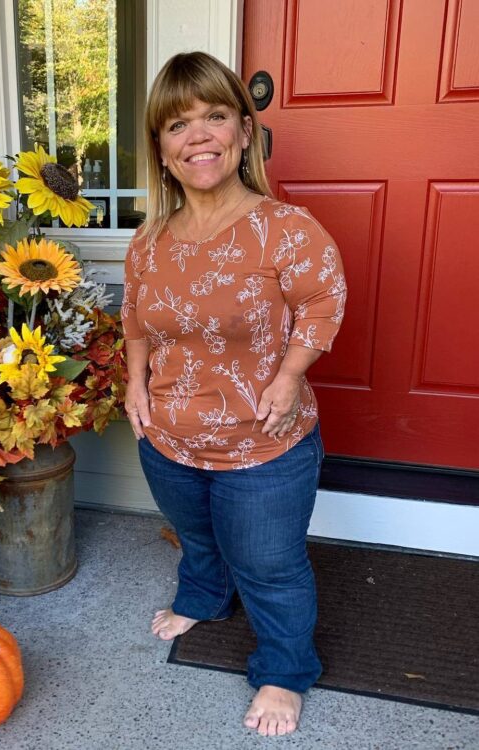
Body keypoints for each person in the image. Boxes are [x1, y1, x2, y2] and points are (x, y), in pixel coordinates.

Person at [121, 51, 347, 737]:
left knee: (271, 567)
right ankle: (204, 597)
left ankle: (285, 670)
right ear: (160, 149)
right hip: (169, 436)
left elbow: (323, 303)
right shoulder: (149, 240)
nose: (198, 136)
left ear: (244, 133)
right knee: (197, 537)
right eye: (177, 124)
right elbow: (134, 319)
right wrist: (134, 385)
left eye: (215, 116)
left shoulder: (287, 228)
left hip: (263, 444)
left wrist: (290, 372)